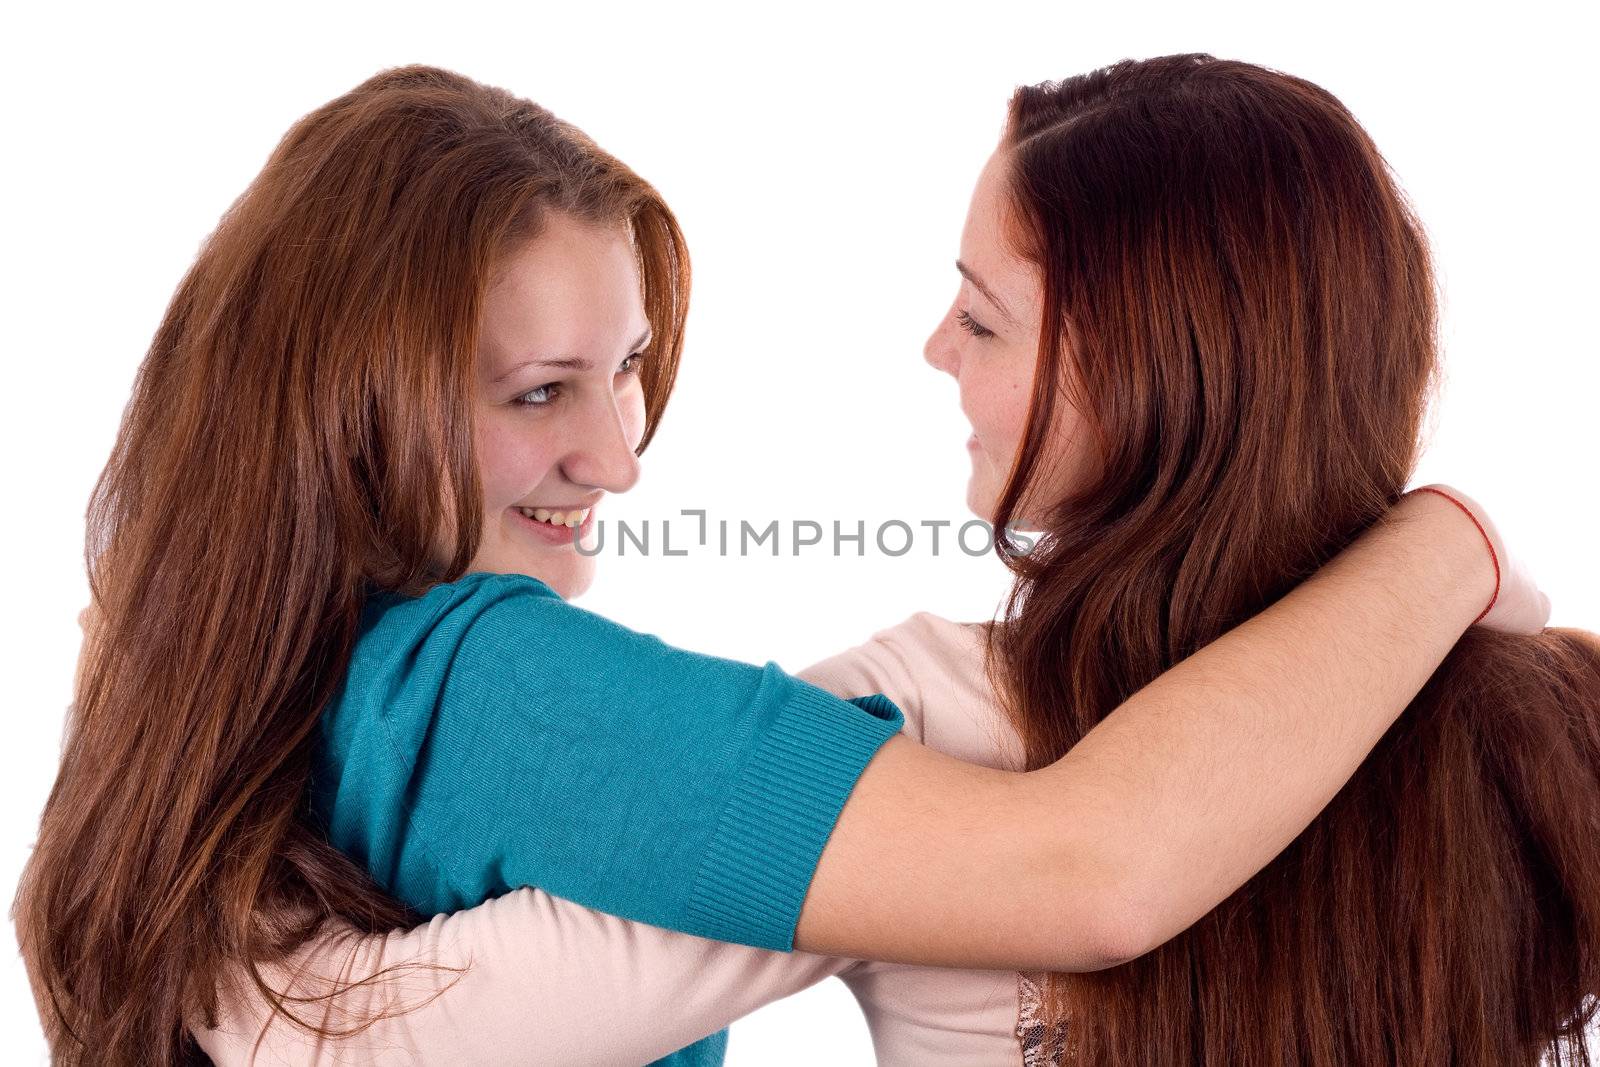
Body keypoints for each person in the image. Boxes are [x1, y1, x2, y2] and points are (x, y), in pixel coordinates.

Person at [14, 62, 1548, 1067]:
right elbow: (1089, 869)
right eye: (538, 390)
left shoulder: (196, 724)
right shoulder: (497, 676)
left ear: (1158, 372)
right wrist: (1453, 546)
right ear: (335, 400)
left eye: (622, 373)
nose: (621, 458)